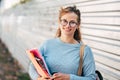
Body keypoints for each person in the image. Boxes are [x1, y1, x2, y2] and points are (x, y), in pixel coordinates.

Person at [29, 5, 96, 80]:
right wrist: (38, 79)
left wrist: (69, 78)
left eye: (72, 22)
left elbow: (91, 78)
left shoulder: (85, 51)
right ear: (59, 22)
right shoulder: (47, 45)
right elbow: (33, 66)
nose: (67, 26)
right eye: (64, 21)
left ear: (78, 25)